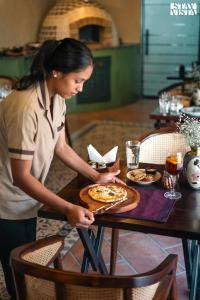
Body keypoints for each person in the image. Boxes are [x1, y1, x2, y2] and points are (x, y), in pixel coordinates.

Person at [0, 38, 123, 299]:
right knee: (20, 276)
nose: (81, 88)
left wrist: (97, 177)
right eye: (77, 80)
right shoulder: (25, 108)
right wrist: (67, 209)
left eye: (84, 82)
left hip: (24, 198)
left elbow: (61, 147)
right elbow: (21, 178)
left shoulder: (57, 99)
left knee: (27, 266)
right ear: (56, 72)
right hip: (6, 201)